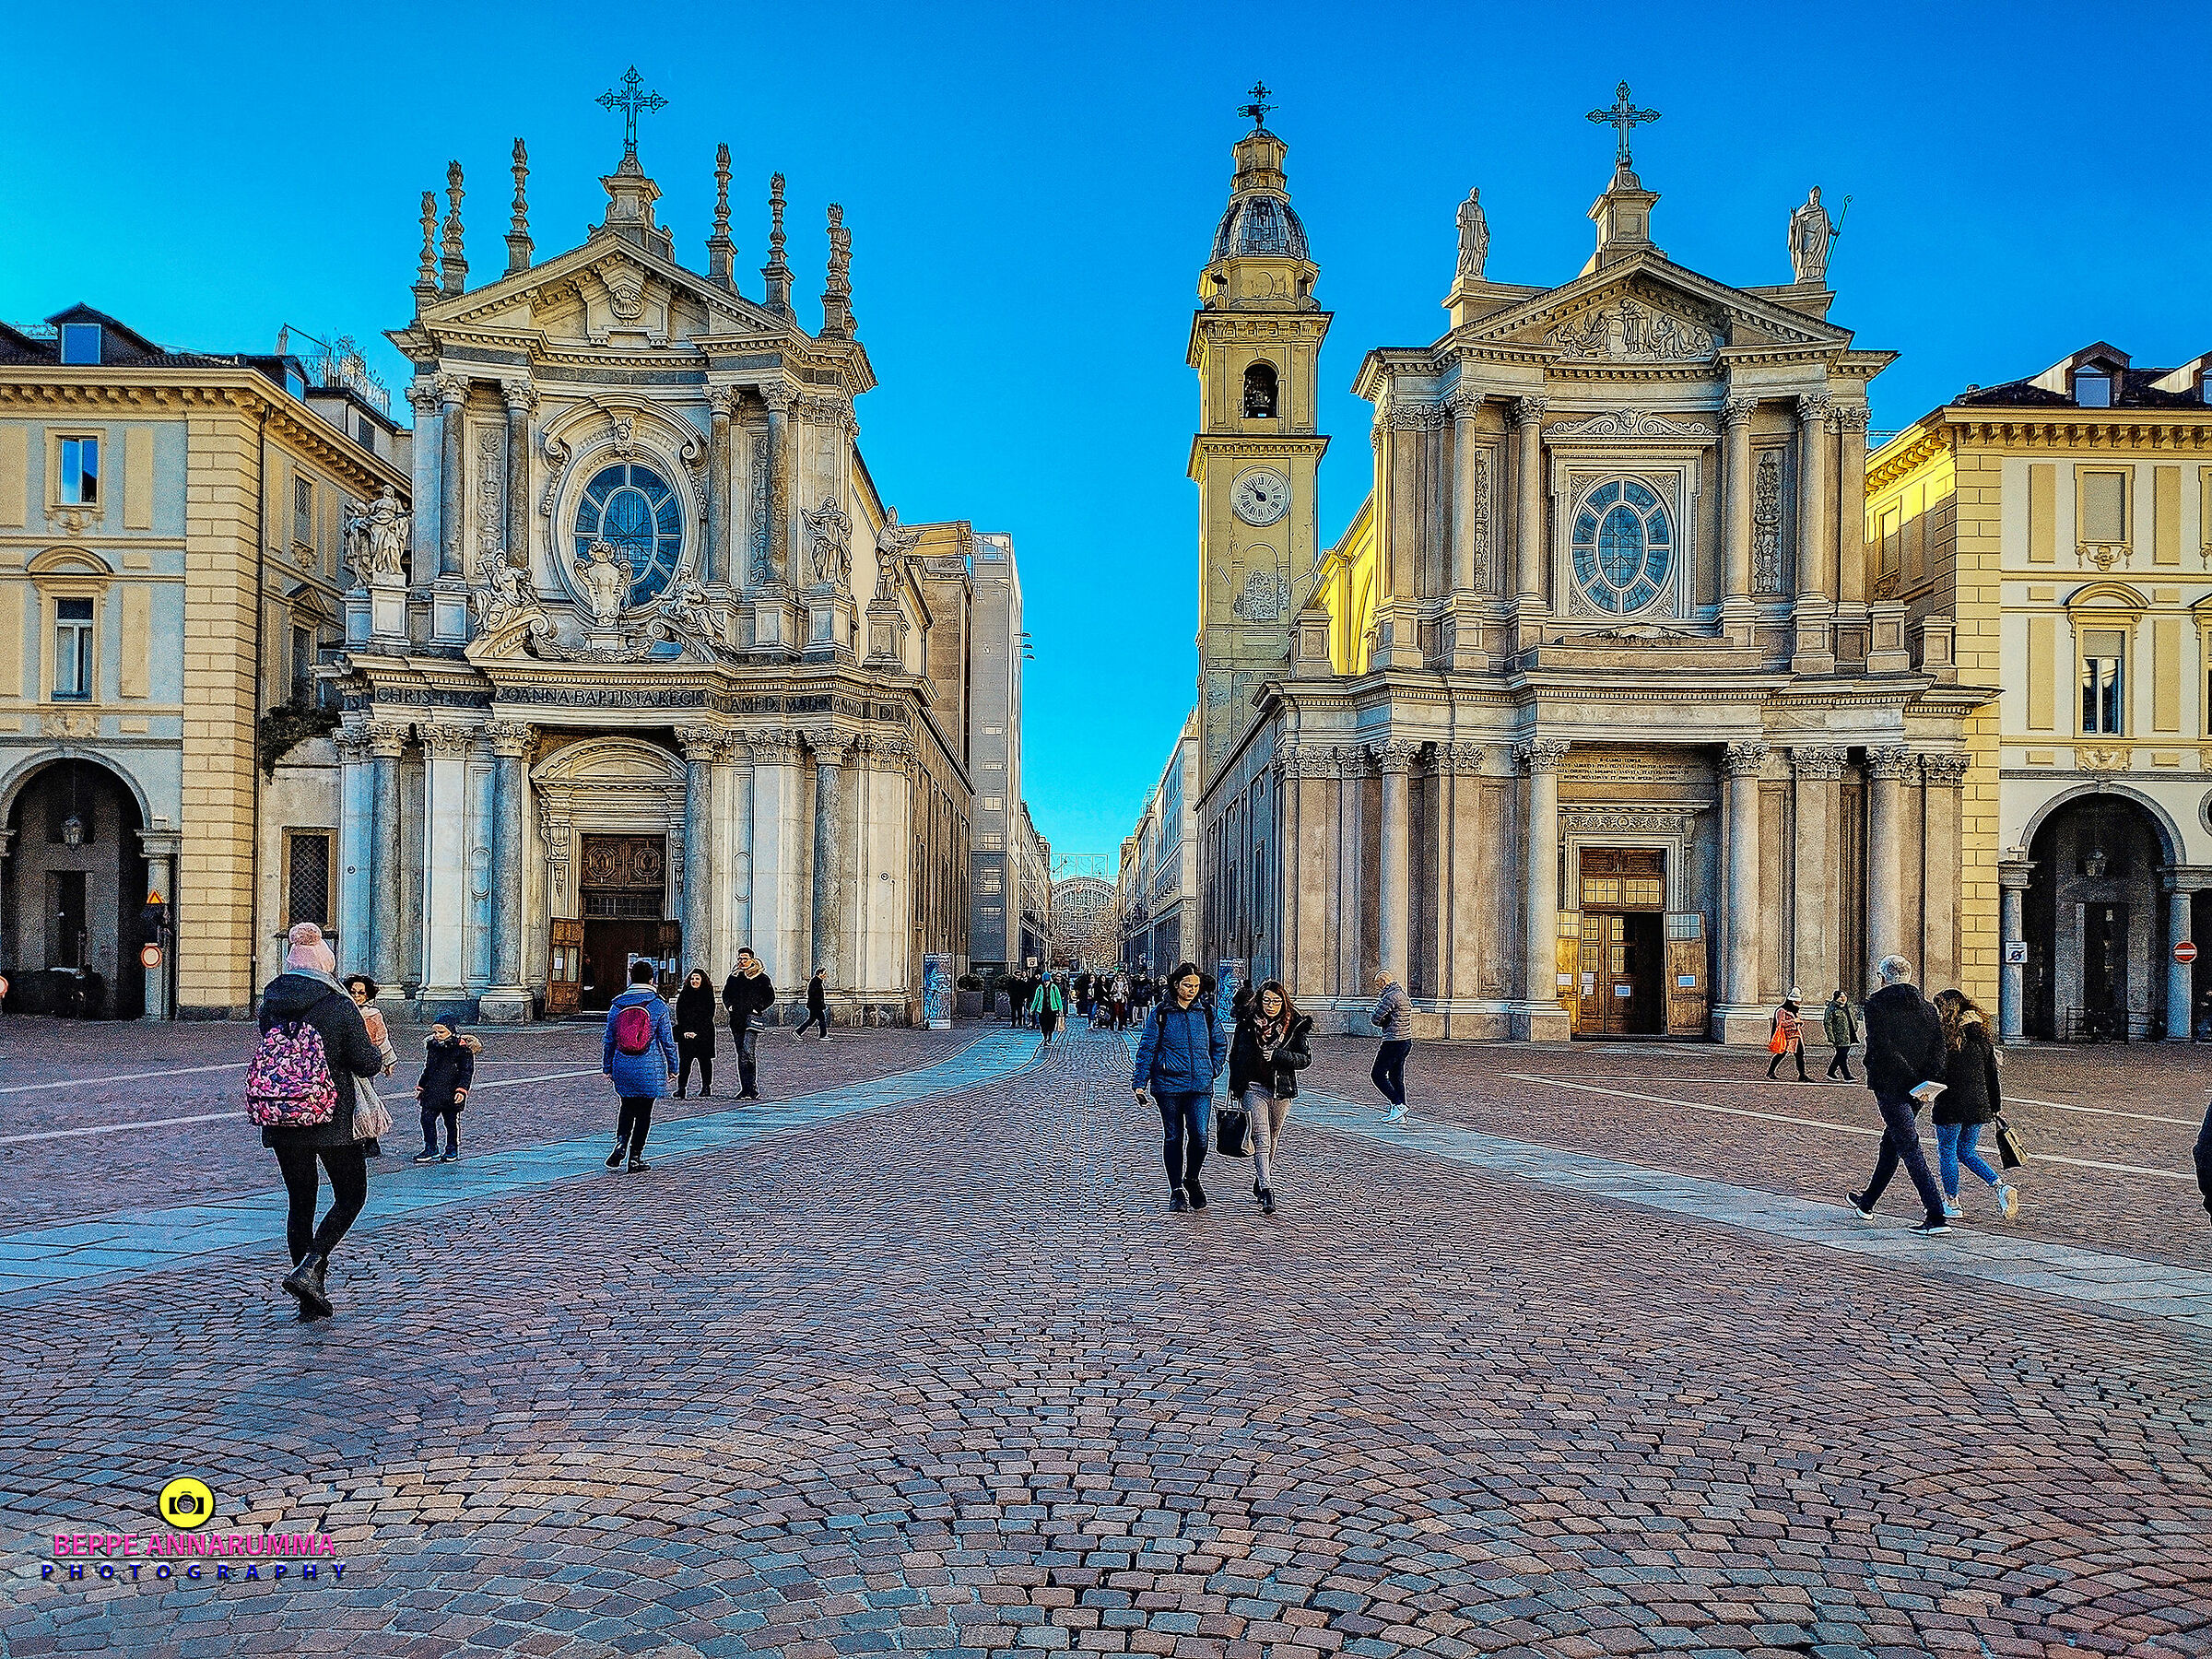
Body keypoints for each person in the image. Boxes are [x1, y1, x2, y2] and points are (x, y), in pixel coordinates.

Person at [255, 923, 382, 1321]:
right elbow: (364, 1060)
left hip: (281, 1113)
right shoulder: (338, 1003)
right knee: (350, 1195)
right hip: (330, 1116)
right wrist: (376, 1052)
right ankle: (312, 1265)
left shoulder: (271, 1001)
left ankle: (309, 1300)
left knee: (300, 1202)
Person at [1848, 955, 1952, 1236]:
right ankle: (1867, 1202)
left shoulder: (1875, 1005)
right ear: (1909, 975)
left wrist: (1908, 1078)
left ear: (1883, 977)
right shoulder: (1929, 1009)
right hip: (1919, 1090)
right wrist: (1926, 1080)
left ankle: (1936, 1213)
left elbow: (1882, 1048)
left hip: (1891, 1086)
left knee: (1909, 1146)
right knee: (1891, 1142)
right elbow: (1939, 1049)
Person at [1131, 961, 1227, 1212]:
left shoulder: (1206, 1011)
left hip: (1200, 1085)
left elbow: (1219, 1044)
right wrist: (1140, 1083)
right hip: (1168, 1085)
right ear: (1176, 985)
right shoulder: (1161, 1012)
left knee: (1201, 1136)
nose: (1192, 990)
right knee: (1173, 1136)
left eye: (1196, 986)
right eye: (1187, 985)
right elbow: (1147, 1048)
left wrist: (1213, 1068)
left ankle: (1192, 1178)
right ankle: (1176, 1190)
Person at [1931, 989, 2021, 1221]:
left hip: (1950, 1103)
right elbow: (1992, 1075)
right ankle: (2000, 1186)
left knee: (1948, 1150)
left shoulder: (1946, 1037)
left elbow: (1937, 1072)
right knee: (1967, 1151)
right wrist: (1995, 1105)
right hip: (1979, 1105)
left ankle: (1952, 1202)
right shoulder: (1981, 1036)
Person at [1228, 979, 1312, 1217]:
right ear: (1259, 1001)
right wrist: (1236, 1086)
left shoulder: (1295, 1026)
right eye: (1267, 1000)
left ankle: (1261, 1175)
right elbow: (1235, 1055)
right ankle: (1267, 1188)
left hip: (1281, 1090)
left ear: (1283, 1002)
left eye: (1276, 1001)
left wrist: (1278, 1055)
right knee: (1261, 1136)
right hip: (1253, 1088)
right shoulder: (1246, 1023)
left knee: (1274, 1136)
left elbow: (1305, 1059)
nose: (1271, 1005)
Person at [604, 959, 678, 1171]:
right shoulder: (657, 1004)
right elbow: (667, 1040)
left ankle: (620, 1142)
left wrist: (607, 1067)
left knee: (626, 1106)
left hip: (623, 1063)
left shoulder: (617, 1004)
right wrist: (673, 1067)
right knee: (645, 1112)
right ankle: (635, 1156)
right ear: (651, 979)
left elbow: (609, 1039)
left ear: (631, 978)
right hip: (649, 1064)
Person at [344, 974, 396, 1159]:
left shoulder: (373, 1014)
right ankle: (352, 1137)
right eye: (353, 992)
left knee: (367, 1099)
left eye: (361, 993)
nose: (357, 996)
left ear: (368, 995)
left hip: (364, 1063)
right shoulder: (343, 1012)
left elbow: (381, 1038)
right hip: (344, 1064)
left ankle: (371, 1139)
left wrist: (388, 1061)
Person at [410, 1022, 478, 1163]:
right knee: (426, 1119)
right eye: (435, 1032)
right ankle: (431, 1148)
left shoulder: (462, 1050)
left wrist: (462, 1090)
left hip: (451, 1092)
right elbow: (428, 1069)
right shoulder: (433, 1047)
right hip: (432, 1091)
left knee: (451, 1122)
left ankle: (451, 1149)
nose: (437, 1036)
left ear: (451, 1032)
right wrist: (421, 1087)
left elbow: (466, 1072)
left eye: (441, 1032)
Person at [722, 948, 775, 1100]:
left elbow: (770, 997)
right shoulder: (734, 977)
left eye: (744, 959)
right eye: (739, 959)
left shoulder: (761, 977)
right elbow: (726, 994)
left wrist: (757, 1007)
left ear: (752, 959)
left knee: (748, 1051)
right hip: (736, 1019)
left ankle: (752, 1087)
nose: (741, 962)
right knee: (741, 1054)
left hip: (751, 1019)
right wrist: (729, 1006)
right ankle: (744, 1088)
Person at [1371, 969, 1412, 1123]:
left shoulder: (1390, 997)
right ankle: (1400, 1112)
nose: (1378, 988)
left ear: (1383, 982)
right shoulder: (1402, 995)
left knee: (1377, 1074)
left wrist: (1382, 1020)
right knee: (1396, 1077)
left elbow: (1375, 1018)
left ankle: (1398, 1104)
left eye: (1378, 984)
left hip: (1393, 1041)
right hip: (1405, 1041)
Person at [674, 968, 718, 1098]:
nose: (694, 981)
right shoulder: (684, 994)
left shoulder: (708, 994)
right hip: (686, 1033)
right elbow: (680, 1014)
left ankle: (706, 1087)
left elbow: (708, 1015)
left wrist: (697, 1032)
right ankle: (681, 1088)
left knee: (704, 1061)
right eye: (692, 978)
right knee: (685, 1062)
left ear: (702, 980)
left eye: (697, 979)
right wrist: (686, 1031)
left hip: (704, 1033)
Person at [1766, 990, 1810, 1082]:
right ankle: (1770, 1071)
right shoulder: (1781, 1011)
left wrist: (1799, 1022)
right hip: (1786, 1036)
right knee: (1781, 1054)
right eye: (1796, 1003)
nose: (1798, 1005)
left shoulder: (1794, 1011)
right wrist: (1793, 1021)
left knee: (1800, 1055)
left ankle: (1802, 1075)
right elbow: (1780, 1024)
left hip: (1796, 1036)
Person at [1823, 989, 1859, 1082]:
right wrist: (1831, 1037)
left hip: (1849, 1035)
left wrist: (1855, 1027)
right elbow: (1827, 1023)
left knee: (1840, 1055)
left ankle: (1830, 1072)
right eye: (1841, 997)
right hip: (1839, 1036)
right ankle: (1847, 1076)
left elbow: (1853, 1019)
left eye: (1844, 996)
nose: (1843, 999)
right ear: (1836, 998)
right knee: (1842, 1055)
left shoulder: (1848, 1007)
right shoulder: (1831, 1009)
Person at [796, 968, 832, 1041]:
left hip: (815, 1005)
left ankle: (798, 1032)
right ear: (820, 974)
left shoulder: (817, 981)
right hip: (816, 1005)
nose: (825, 975)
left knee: (811, 1020)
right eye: (824, 974)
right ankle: (823, 1036)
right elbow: (813, 994)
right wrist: (818, 1003)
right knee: (821, 1019)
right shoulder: (815, 982)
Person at [1031, 973, 1065, 1045]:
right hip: (1042, 1009)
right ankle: (1045, 1037)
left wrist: (1060, 1009)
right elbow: (1036, 999)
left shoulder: (1054, 987)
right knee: (1043, 1024)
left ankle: (1049, 1036)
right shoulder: (1040, 988)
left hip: (1052, 1009)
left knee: (1051, 1024)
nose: (1046, 982)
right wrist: (1032, 1008)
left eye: (1047, 981)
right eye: (1045, 981)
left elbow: (1058, 998)